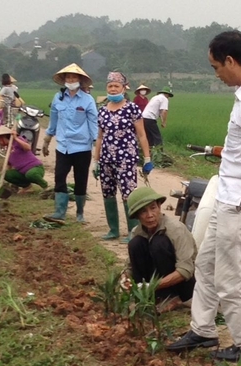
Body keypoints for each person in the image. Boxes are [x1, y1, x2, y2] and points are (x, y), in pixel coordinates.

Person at [166, 31, 241, 364]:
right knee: (206, 263)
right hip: (229, 193)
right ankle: (202, 329)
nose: (216, 73)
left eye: (216, 66)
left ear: (231, 61)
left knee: (230, 275)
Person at [93, 71, 154, 243]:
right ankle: (113, 230)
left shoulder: (132, 109)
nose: (112, 89)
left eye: (116, 86)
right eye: (110, 86)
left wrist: (147, 158)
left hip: (126, 159)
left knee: (128, 195)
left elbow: (141, 135)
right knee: (108, 193)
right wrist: (96, 161)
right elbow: (99, 137)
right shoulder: (103, 111)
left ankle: (132, 231)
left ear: (123, 88)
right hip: (106, 160)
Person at [124, 186, 197, 311]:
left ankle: (172, 298)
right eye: (143, 212)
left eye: (153, 208)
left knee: (159, 243)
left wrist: (153, 286)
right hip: (154, 285)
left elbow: (185, 270)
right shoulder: (138, 232)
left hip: (184, 288)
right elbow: (130, 266)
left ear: (159, 207)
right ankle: (144, 297)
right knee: (135, 244)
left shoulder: (176, 229)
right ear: (137, 216)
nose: (150, 215)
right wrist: (124, 279)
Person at [42, 63, 98, 224]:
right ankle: (59, 212)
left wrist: (96, 146)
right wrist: (46, 140)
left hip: (81, 147)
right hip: (63, 146)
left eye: (74, 77)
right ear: (64, 80)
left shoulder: (87, 100)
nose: (71, 79)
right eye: (68, 77)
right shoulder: (57, 98)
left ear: (80, 80)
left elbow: (93, 124)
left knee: (81, 179)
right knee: (60, 176)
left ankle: (80, 213)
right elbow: (53, 121)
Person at [0, 126, 48, 193]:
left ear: (2, 137)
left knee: (31, 174)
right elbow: (8, 166)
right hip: (23, 173)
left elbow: (28, 148)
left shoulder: (17, 140)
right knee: (7, 174)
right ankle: (27, 186)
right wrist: (0, 176)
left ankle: (45, 186)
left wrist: (16, 138)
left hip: (35, 168)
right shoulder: (8, 150)